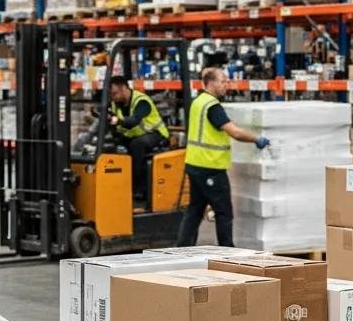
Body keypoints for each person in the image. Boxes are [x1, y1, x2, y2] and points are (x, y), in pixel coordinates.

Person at [178, 66, 270, 247]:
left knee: (195, 211)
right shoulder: (213, 107)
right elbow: (234, 132)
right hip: (210, 167)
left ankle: (182, 248)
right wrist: (256, 139)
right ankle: (227, 250)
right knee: (223, 212)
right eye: (222, 81)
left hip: (195, 164)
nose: (226, 85)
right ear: (211, 83)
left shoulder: (198, 102)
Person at [108, 75, 170, 202]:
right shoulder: (115, 104)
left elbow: (133, 121)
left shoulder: (142, 101)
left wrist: (118, 121)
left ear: (124, 88)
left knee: (137, 145)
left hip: (156, 134)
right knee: (110, 145)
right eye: (111, 94)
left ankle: (139, 189)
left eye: (114, 93)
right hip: (134, 136)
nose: (113, 97)